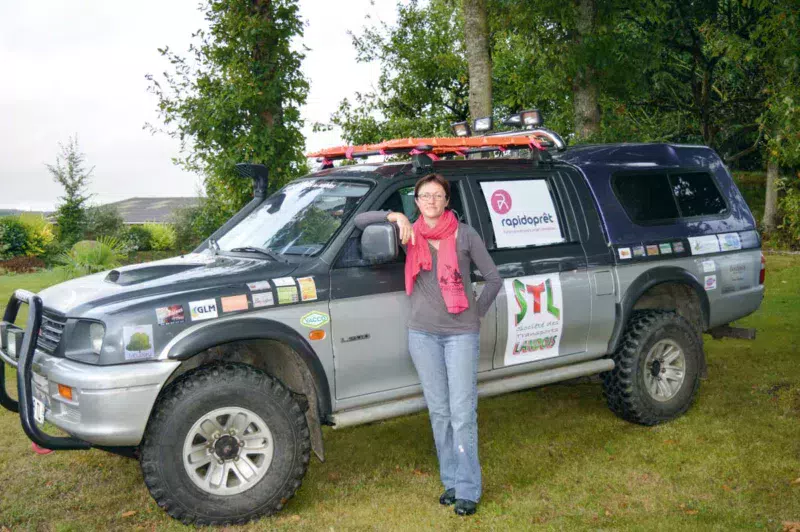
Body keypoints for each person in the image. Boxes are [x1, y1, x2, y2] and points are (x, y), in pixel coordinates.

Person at [354, 173, 502, 516]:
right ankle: (450, 481)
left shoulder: (465, 234)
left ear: (446, 201)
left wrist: (475, 314)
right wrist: (396, 216)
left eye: (437, 195)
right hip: (422, 335)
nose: (431, 201)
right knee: (439, 412)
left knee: (462, 413)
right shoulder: (410, 233)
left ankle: (468, 488)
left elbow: (493, 279)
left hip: (461, 334)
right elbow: (362, 220)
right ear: (417, 201)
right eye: (424, 196)